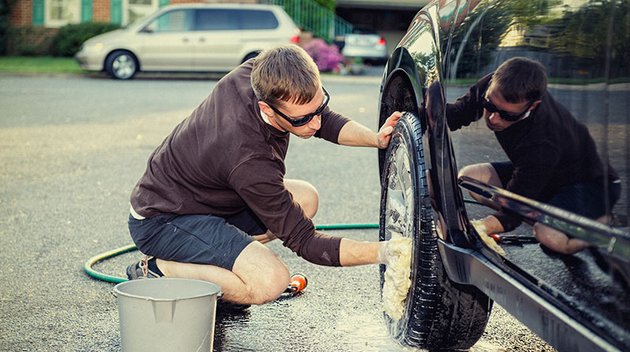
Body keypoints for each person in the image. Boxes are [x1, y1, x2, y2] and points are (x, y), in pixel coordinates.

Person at [126, 44, 409, 305]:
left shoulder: (261, 72)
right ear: (267, 110)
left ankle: (219, 263)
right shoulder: (249, 158)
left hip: (205, 200)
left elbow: (320, 120)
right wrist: (387, 252)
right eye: (302, 120)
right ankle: (160, 270)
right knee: (270, 282)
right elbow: (306, 242)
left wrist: (376, 138)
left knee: (306, 199)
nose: (316, 123)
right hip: (163, 220)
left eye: (319, 107)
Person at [446, 57, 621, 255]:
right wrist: (410, 107)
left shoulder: (543, 139)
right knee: (470, 178)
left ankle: (602, 225)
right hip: (545, 175)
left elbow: (512, 212)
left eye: (507, 115)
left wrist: (478, 228)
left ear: (532, 106)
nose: (493, 118)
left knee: (548, 236)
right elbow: (456, 114)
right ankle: (550, 216)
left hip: (589, 185)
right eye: (490, 106)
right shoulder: (494, 87)